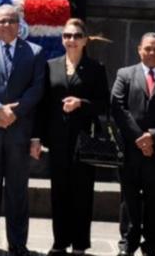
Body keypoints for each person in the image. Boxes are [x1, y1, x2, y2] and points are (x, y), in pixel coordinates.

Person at [0, 4, 46, 256]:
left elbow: (37, 89)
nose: (6, 25)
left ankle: (17, 243)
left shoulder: (35, 52)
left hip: (19, 132)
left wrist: (14, 112)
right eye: (1, 21)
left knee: (17, 189)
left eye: (11, 20)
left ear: (19, 24)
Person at [32, 18, 108, 255]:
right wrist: (37, 138)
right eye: (67, 36)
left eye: (76, 36)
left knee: (82, 193)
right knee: (59, 192)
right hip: (57, 140)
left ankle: (79, 244)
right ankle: (60, 241)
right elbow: (42, 105)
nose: (71, 40)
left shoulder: (96, 68)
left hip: (84, 141)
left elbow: (104, 105)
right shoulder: (50, 65)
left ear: (85, 40)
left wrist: (81, 104)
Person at [112, 32, 155, 256]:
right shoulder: (124, 74)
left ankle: (152, 245)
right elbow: (118, 108)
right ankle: (128, 244)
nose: (152, 53)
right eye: (148, 48)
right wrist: (140, 139)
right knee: (129, 199)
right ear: (139, 50)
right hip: (130, 151)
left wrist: (153, 136)